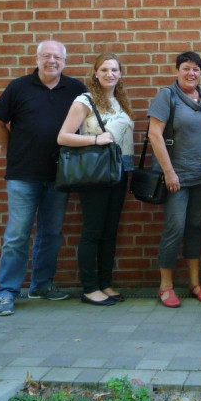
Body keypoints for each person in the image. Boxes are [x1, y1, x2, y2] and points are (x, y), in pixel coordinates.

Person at [0, 40, 86, 316]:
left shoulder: (76, 89)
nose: (51, 60)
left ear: (65, 61)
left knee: (51, 233)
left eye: (57, 56)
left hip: (61, 175)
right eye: (46, 55)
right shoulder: (18, 87)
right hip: (23, 174)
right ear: (37, 58)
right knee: (17, 235)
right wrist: (12, 149)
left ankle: (42, 284)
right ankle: (7, 291)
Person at [57, 53, 135, 306]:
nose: (109, 74)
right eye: (104, 70)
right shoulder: (85, 101)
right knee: (92, 231)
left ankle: (105, 283)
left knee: (110, 231)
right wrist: (94, 140)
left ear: (120, 74)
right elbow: (63, 137)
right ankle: (90, 288)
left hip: (119, 171)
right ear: (95, 74)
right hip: (96, 173)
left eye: (114, 70)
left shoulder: (118, 101)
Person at [147, 52, 201, 308]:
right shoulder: (167, 96)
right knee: (175, 228)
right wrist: (169, 171)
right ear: (177, 70)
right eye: (186, 68)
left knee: (195, 228)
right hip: (176, 177)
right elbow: (155, 135)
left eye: (196, 69)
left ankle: (195, 283)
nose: (191, 73)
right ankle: (165, 286)